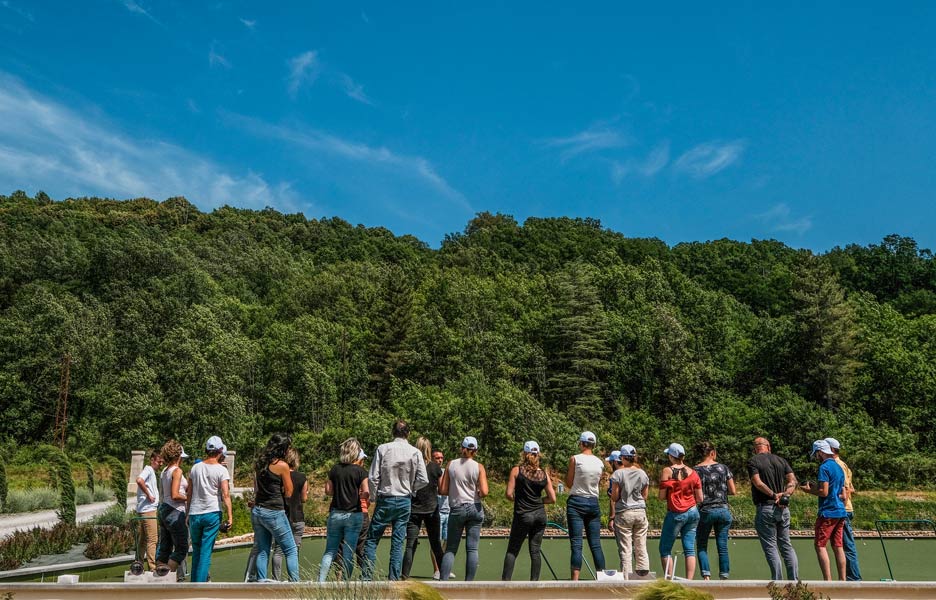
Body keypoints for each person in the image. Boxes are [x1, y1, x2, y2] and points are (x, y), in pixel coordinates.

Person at [363, 420, 429, 581]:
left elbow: (372, 477)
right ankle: (393, 578)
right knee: (398, 542)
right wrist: (412, 488)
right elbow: (424, 479)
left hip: (386, 497)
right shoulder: (415, 452)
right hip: (404, 499)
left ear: (393, 432)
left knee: (372, 540)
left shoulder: (383, 448)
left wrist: (373, 495)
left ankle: (366, 578)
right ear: (408, 433)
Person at [501, 440, 556, 581]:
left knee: (512, 550)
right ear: (538, 455)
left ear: (524, 453)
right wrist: (538, 501)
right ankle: (535, 585)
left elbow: (508, 494)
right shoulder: (544, 474)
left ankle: (504, 585)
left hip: (523, 515)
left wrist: (519, 499)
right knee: (535, 551)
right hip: (540, 516)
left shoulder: (517, 470)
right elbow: (552, 498)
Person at [748, 436, 799, 581]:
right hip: (783, 508)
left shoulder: (753, 461)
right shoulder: (781, 460)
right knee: (786, 545)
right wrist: (786, 494)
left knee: (771, 547)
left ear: (755, 449)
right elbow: (792, 480)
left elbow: (757, 482)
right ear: (769, 447)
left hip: (765, 507)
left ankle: (777, 582)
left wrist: (773, 494)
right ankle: (794, 582)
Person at [251, 434, 300, 582]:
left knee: (263, 550)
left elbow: (257, 487)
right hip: (274, 512)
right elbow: (289, 492)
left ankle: (261, 582)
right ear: (283, 449)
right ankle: (295, 584)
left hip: (258, 510)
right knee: (291, 550)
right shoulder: (282, 466)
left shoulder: (259, 463)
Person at [319, 438, 370, 581]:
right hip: (354, 515)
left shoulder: (335, 469)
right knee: (348, 552)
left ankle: (320, 582)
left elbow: (328, 491)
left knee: (330, 551)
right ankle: (346, 584)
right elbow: (366, 492)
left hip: (336, 513)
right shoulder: (361, 471)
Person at [439, 436, 489, 581]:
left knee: (451, 549)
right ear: (476, 451)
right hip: (475, 507)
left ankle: (443, 582)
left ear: (462, 448)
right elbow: (484, 492)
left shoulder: (451, 464)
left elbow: (442, 490)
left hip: (457, 509)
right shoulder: (478, 467)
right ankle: (469, 585)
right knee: (472, 549)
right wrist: (477, 492)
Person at [187, 435, 233, 583]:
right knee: (206, 553)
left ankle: (193, 585)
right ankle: (200, 588)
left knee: (196, 551)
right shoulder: (221, 470)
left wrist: (188, 513)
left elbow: (189, 492)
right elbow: (226, 494)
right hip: (212, 512)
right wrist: (230, 516)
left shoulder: (195, 468)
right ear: (220, 451)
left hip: (195, 513)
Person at [801, 439, 847, 581]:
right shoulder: (839, 467)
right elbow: (843, 494)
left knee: (820, 545)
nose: (816, 457)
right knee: (838, 546)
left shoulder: (824, 467)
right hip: (840, 511)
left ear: (820, 452)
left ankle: (827, 581)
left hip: (828, 512)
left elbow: (824, 492)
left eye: (816, 454)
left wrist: (809, 491)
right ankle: (843, 580)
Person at [564, 431, 606, 580]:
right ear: (593, 445)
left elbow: (569, 483)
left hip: (576, 502)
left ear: (581, 443)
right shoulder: (600, 463)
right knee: (595, 544)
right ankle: (602, 578)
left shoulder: (575, 459)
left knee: (576, 544)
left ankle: (574, 581)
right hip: (593, 503)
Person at [659, 442, 703, 580]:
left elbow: (661, 497)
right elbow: (700, 498)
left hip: (676, 513)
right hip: (693, 512)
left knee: (665, 549)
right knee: (689, 549)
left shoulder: (667, 471)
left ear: (672, 456)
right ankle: (689, 582)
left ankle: (669, 580)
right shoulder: (694, 473)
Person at [402, 437, 444, 580]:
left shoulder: (411, 466)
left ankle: (404, 575)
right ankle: (443, 575)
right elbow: (441, 489)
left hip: (414, 509)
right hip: (431, 509)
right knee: (436, 544)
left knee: (410, 545)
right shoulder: (435, 467)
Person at [694, 441, 736, 580]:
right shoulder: (723, 468)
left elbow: (695, 494)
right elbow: (733, 490)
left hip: (705, 511)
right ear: (713, 453)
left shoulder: (695, 471)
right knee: (722, 546)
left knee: (701, 545)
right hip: (723, 510)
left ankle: (706, 576)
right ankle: (724, 576)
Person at [610, 444, 650, 577]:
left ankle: (627, 578)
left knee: (626, 548)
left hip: (624, 513)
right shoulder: (642, 473)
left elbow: (615, 497)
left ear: (622, 458)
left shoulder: (618, 474)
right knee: (641, 545)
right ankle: (643, 575)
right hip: (640, 512)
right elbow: (645, 496)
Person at [825, 437, 861, 581]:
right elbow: (851, 488)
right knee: (841, 545)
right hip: (844, 509)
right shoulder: (842, 464)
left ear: (831, 450)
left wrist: (839, 503)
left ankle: (853, 579)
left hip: (842, 510)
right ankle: (848, 578)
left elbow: (846, 489)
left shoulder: (837, 465)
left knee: (846, 546)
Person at [272, 447, 309, 581]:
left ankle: (276, 580)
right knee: (295, 550)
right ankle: (293, 579)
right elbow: (304, 498)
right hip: (298, 517)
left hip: (282, 516)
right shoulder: (302, 477)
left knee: (278, 550)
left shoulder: (280, 476)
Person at [334, 449, 370, 580]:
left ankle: (339, 578)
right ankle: (365, 577)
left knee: (341, 547)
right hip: (361, 512)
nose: (363, 462)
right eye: (362, 459)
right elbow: (367, 495)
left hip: (342, 512)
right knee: (361, 547)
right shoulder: (361, 474)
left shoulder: (339, 471)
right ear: (358, 459)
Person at [155, 440, 189, 581]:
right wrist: (188, 497)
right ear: (178, 456)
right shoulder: (177, 471)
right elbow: (175, 495)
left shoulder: (164, 471)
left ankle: (156, 579)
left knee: (165, 547)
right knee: (181, 548)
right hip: (175, 511)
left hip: (163, 510)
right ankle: (166, 579)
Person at [135, 448, 163, 571]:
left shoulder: (150, 471)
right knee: (153, 539)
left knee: (143, 540)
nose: (160, 464)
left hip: (144, 509)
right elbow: (139, 480)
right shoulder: (149, 470)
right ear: (152, 460)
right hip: (148, 510)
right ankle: (152, 567)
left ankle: (138, 563)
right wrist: (148, 494)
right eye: (159, 461)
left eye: (162, 462)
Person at [432, 449, 452, 580]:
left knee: (447, 542)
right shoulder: (430, 473)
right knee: (436, 543)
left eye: (441, 458)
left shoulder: (446, 472)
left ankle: (445, 568)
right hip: (436, 512)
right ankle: (436, 570)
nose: (440, 460)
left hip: (449, 511)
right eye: (437, 458)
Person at [605, 450, 624, 571]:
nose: (610, 464)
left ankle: (625, 575)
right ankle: (641, 575)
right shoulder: (634, 472)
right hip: (638, 513)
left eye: (611, 462)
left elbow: (613, 499)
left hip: (621, 514)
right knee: (637, 548)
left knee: (623, 548)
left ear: (616, 462)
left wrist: (611, 518)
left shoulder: (615, 477)